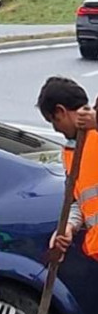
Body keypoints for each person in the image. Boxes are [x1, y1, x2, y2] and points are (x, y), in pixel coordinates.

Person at [36, 76, 98, 260]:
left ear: (60, 111)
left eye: (52, 121)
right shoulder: (72, 151)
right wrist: (68, 227)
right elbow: (80, 201)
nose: (56, 130)